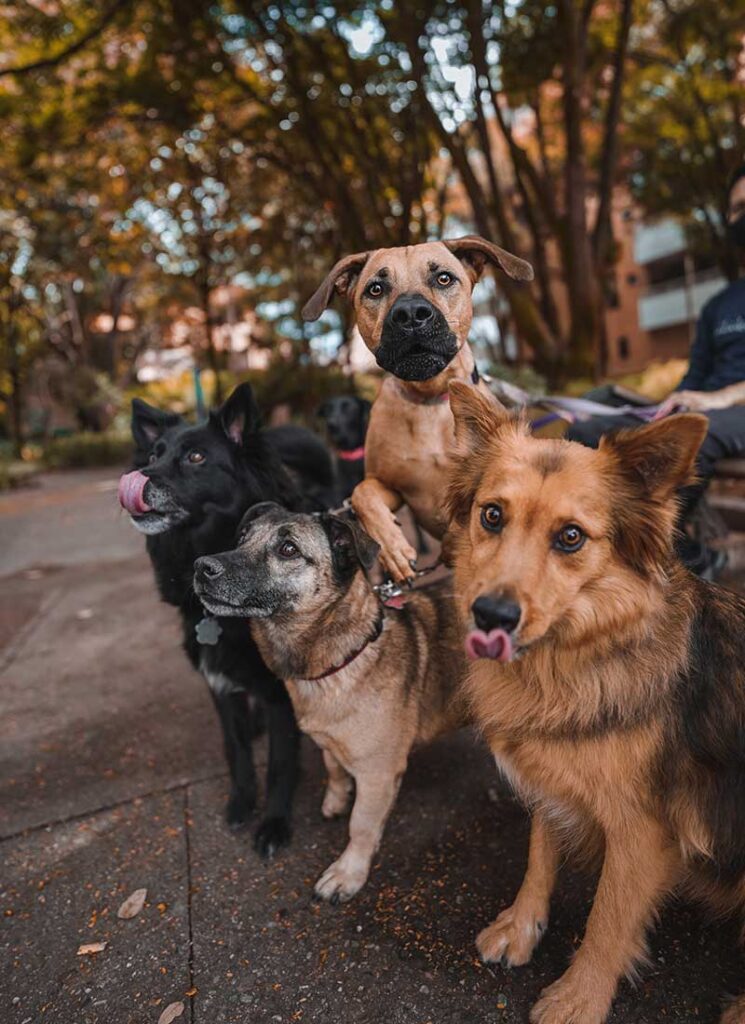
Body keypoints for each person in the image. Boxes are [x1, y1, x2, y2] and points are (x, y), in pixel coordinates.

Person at [568, 163, 745, 578]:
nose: (742, 216)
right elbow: (694, 378)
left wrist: (720, 398)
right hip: (706, 409)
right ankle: (686, 556)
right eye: (737, 209)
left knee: (694, 434)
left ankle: (643, 554)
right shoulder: (720, 304)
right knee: (586, 429)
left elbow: (705, 404)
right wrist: (665, 408)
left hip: (727, 415)